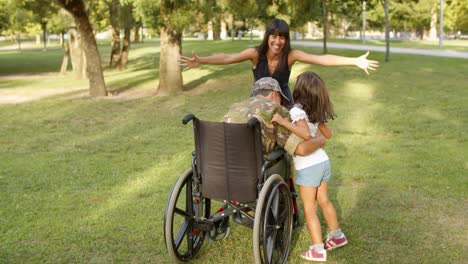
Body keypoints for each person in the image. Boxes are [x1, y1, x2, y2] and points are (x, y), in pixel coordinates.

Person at [181, 18, 379, 108]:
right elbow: (227, 58)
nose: (278, 41)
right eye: (274, 36)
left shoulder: (291, 55)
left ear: (286, 39)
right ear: (267, 37)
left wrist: (354, 61)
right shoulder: (255, 54)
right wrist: (201, 61)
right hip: (259, 102)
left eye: (282, 37)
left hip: (284, 102)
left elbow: (321, 59)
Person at [272, 71, 346, 262]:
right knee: (324, 201)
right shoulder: (316, 112)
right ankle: (337, 236)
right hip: (323, 161)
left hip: (309, 166)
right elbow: (327, 135)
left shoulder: (297, 111)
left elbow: (304, 134)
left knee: (309, 208)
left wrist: (283, 122)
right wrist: (318, 137)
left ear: (300, 89)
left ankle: (318, 249)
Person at [224, 77, 326, 158]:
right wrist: (322, 139)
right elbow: (300, 149)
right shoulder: (276, 109)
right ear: (274, 93)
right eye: (281, 98)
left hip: (225, 166)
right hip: (258, 169)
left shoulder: (235, 107)